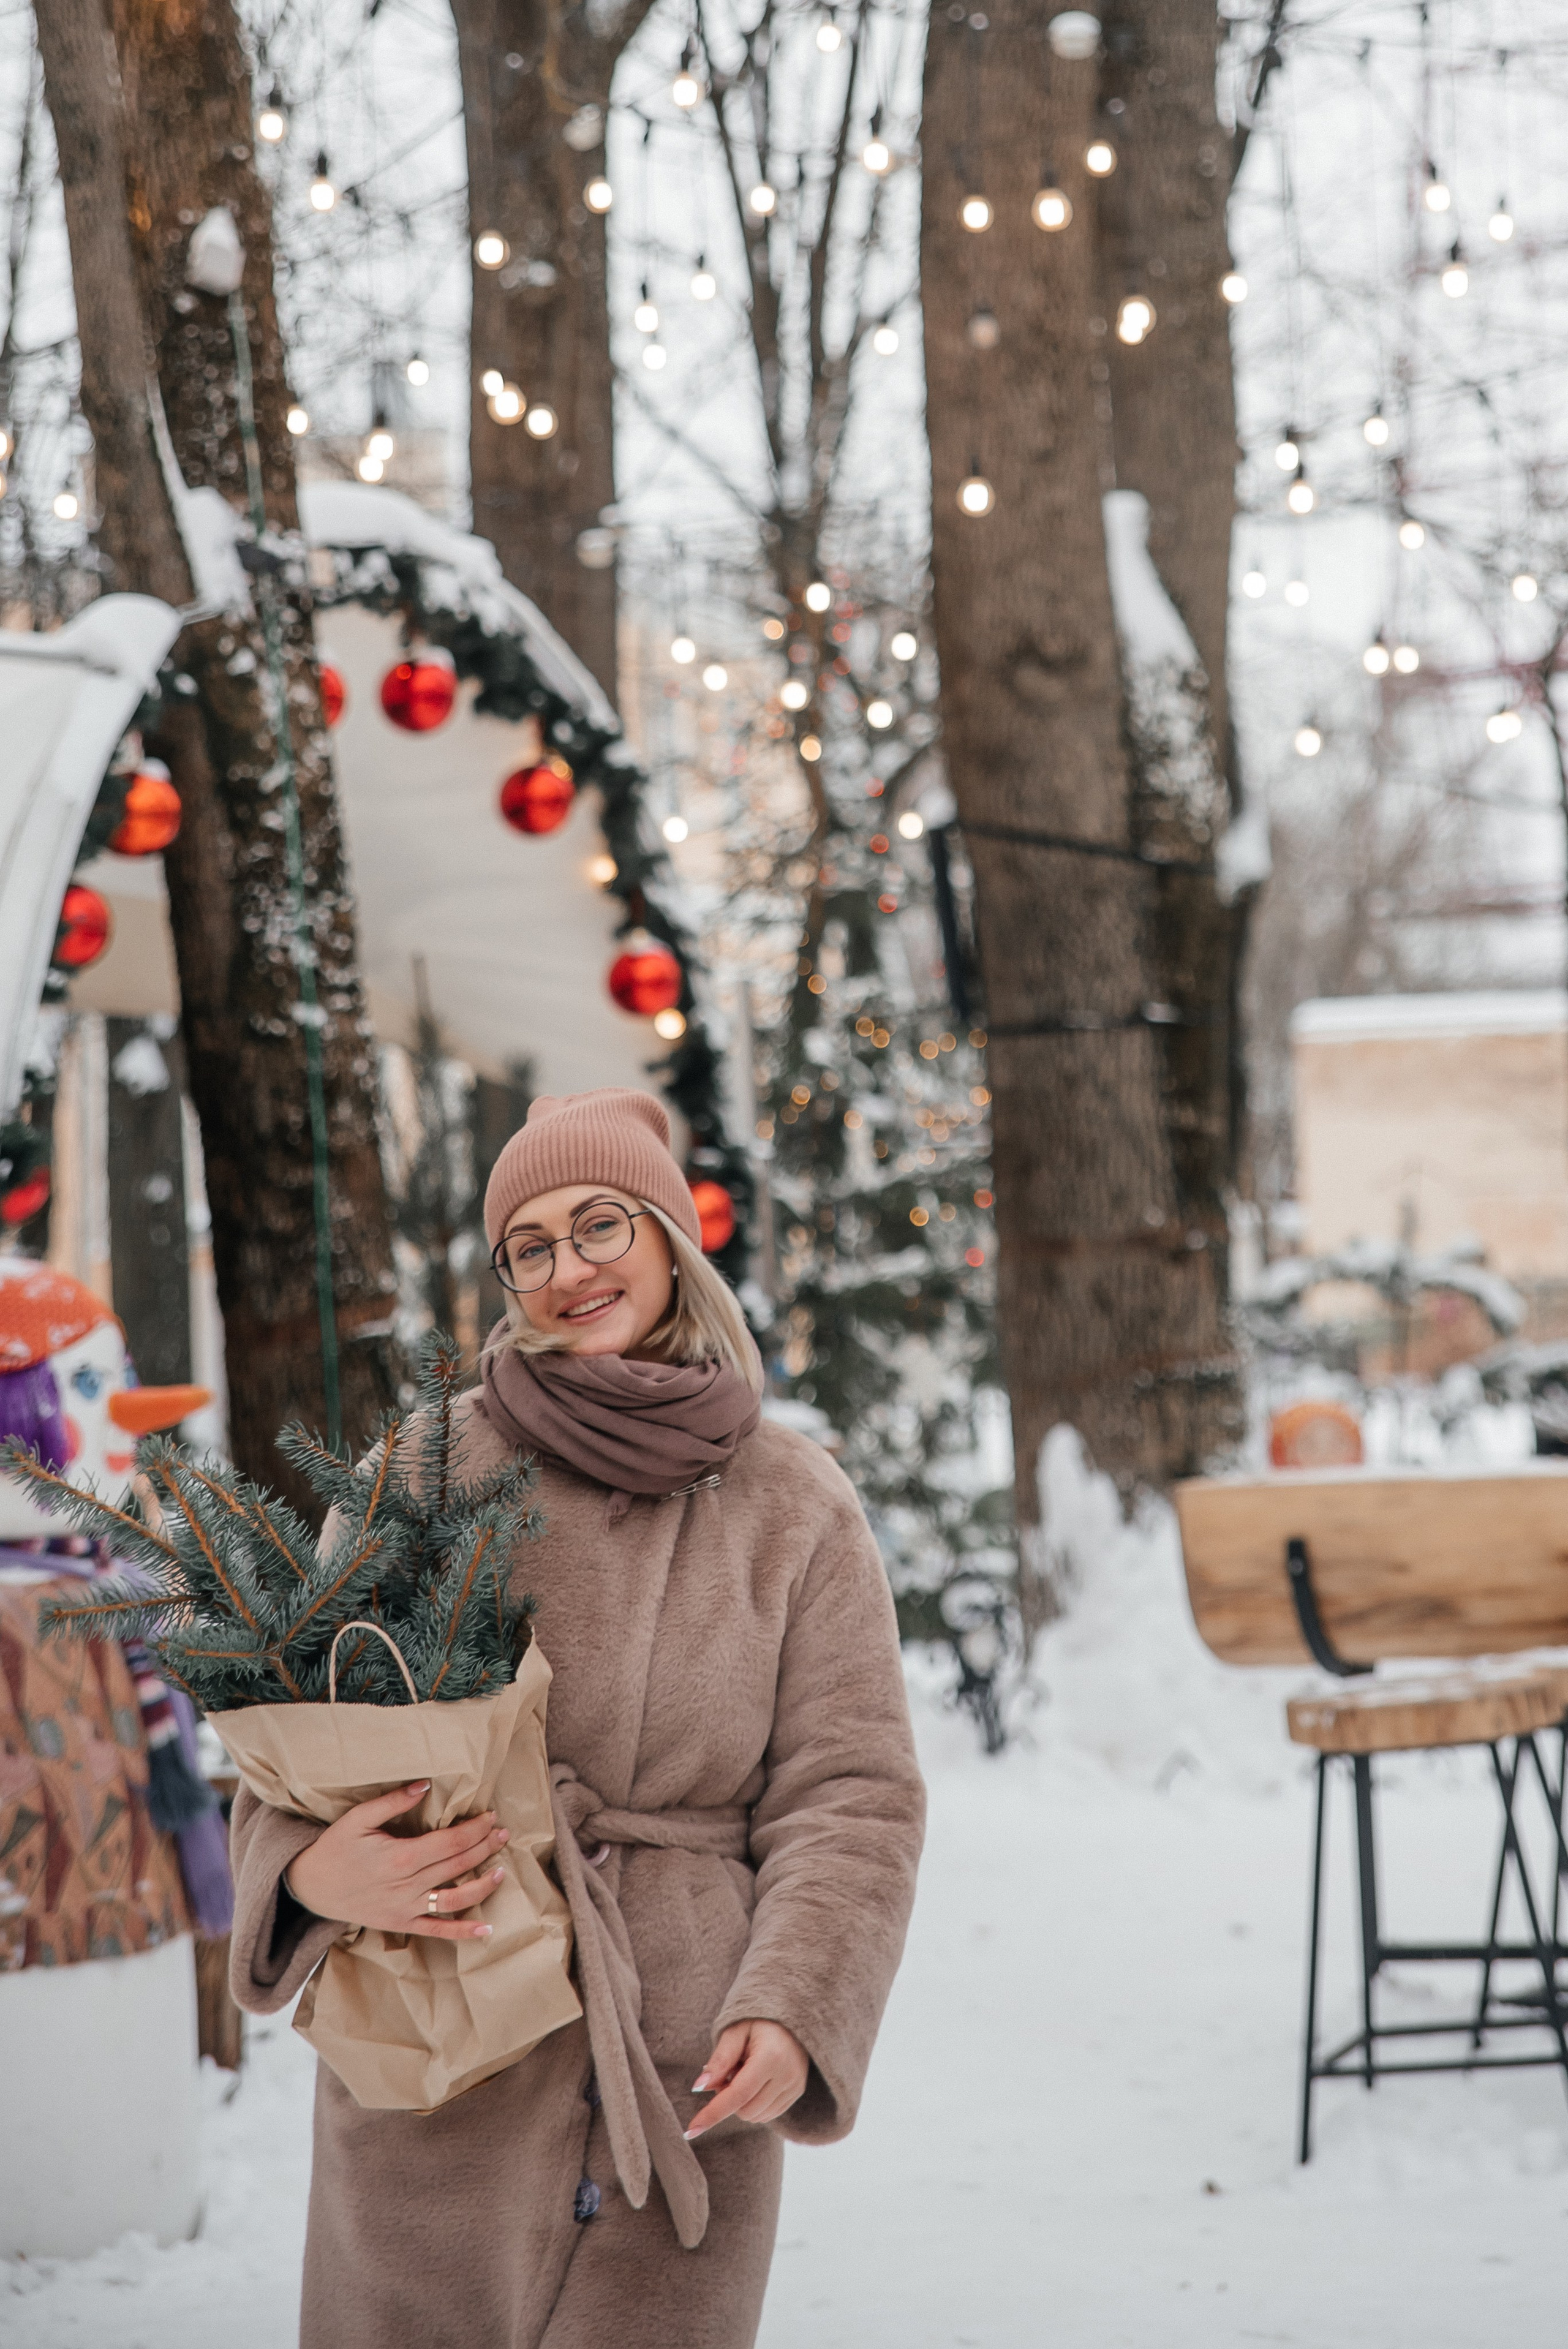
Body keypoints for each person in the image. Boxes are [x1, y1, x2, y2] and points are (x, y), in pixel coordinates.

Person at [229, 1086, 925, 2348]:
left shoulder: (794, 1501)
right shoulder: (421, 1474)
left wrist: (792, 2001)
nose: (569, 1267)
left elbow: (852, 1789)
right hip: (441, 2045)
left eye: (599, 1223)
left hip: (678, 2053)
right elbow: (289, 1734)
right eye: (530, 1246)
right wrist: (312, 1875)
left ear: (667, 1234)